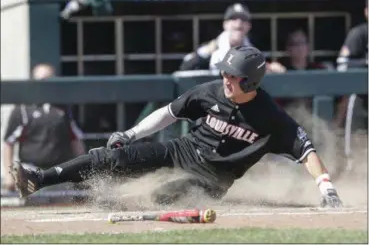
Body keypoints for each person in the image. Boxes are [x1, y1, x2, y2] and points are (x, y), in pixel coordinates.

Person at [10, 46, 342, 208]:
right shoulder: (211, 91)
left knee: (169, 192)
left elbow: (306, 150)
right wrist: (131, 134)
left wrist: (327, 189)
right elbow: (169, 113)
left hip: (210, 179)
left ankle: (119, 202)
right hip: (179, 150)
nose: (226, 79)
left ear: (251, 81)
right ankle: (40, 179)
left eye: (233, 75)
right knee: (108, 157)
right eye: (225, 73)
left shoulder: (270, 116)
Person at [2, 63, 86, 191]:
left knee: (64, 206)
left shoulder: (64, 107)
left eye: (49, 80)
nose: (45, 84)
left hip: (59, 170)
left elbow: (76, 140)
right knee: (32, 207)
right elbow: (9, 143)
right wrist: (9, 176)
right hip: (31, 169)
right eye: (41, 80)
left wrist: (83, 170)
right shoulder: (22, 109)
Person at [179, 3, 253, 71]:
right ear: (225, 24)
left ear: (249, 26)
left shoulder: (254, 53)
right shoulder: (210, 48)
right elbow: (185, 67)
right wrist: (206, 53)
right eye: (233, 18)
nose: (239, 22)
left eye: (243, 19)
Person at [334, 0, 368, 128]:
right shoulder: (359, 33)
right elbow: (342, 65)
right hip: (361, 100)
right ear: (366, 12)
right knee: (359, 143)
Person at [274, 29, 328, 109]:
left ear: (308, 47)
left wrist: (337, 121)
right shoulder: (282, 70)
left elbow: (340, 97)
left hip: (315, 118)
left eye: (303, 43)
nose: (300, 47)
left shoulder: (318, 69)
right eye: (295, 44)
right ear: (288, 49)